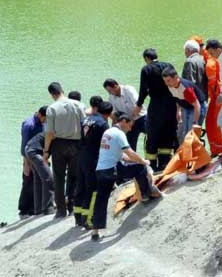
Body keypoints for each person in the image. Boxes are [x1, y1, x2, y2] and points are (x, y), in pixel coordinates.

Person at [91, 114, 152, 241]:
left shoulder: (108, 132)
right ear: (124, 121)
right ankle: (145, 196)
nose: (130, 129)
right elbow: (129, 152)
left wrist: (137, 160)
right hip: (112, 169)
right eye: (130, 125)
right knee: (140, 169)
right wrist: (143, 162)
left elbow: (123, 156)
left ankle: (95, 231)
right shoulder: (119, 134)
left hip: (101, 169)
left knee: (101, 199)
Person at [43, 82, 85, 218]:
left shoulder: (52, 108)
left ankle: (61, 210)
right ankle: (72, 206)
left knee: (59, 177)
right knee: (74, 176)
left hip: (59, 144)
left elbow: (49, 133)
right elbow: (85, 126)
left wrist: (46, 151)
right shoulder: (79, 105)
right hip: (76, 144)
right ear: (62, 90)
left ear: (51, 94)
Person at [135, 48, 178, 171]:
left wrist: (139, 105)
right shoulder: (168, 65)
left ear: (146, 59)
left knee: (152, 133)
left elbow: (143, 90)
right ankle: (165, 163)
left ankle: (151, 165)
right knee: (168, 131)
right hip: (171, 104)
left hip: (156, 105)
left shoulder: (146, 69)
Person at [73, 101, 113, 229]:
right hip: (94, 158)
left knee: (80, 185)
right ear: (108, 114)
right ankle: (88, 219)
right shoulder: (103, 124)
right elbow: (106, 142)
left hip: (81, 156)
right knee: (92, 188)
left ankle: (78, 217)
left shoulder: (85, 120)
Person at [162, 66, 207, 142]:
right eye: (165, 81)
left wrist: (195, 122)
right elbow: (177, 98)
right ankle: (184, 152)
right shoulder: (171, 86)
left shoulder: (186, 89)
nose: (166, 84)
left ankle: (192, 152)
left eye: (168, 81)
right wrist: (178, 111)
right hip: (186, 107)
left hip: (196, 108)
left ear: (176, 77)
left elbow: (197, 105)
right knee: (182, 133)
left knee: (191, 133)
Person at [19, 106, 47, 219]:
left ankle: (35, 208)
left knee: (39, 181)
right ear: (40, 115)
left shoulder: (44, 123)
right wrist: (26, 163)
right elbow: (23, 145)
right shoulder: (28, 125)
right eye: (45, 118)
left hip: (39, 155)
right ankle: (24, 210)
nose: (46, 121)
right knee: (28, 181)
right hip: (28, 156)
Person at [103, 78, 147, 151]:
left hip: (141, 118)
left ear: (115, 86)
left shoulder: (129, 90)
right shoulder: (111, 97)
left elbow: (138, 105)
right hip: (128, 123)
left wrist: (132, 120)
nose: (109, 93)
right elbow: (115, 115)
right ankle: (132, 161)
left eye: (110, 90)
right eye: (108, 91)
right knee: (129, 145)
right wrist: (114, 129)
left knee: (152, 137)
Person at [25, 132, 55, 215]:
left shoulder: (50, 131)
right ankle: (48, 208)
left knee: (38, 179)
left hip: (29, 150)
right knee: (49, 179)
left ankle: (38, 209)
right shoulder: (53, 134)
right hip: (34, 152)